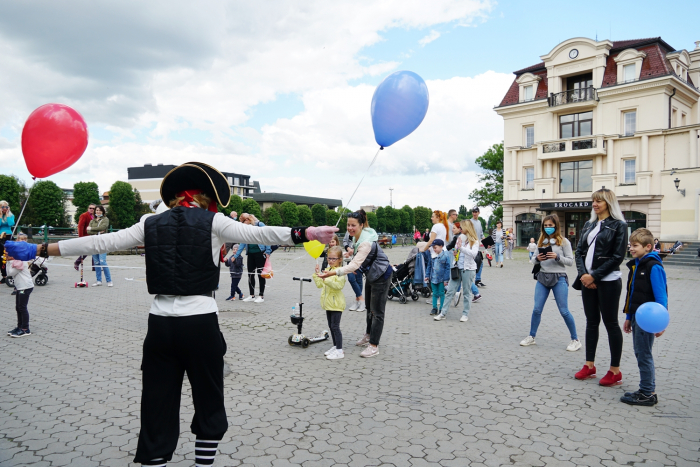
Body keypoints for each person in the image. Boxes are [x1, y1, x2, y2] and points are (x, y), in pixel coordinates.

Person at [4, 161, 338, 466]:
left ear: (174, 196)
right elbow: (258, 234)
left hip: (160, 325)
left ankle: (156, 460)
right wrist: (303, 233)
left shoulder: (149, 222)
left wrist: (38, 248)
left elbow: (99, 242)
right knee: (208, 396)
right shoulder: (214, 221)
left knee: (157, 401)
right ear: (205, 198)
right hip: (201, 322)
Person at [318, 209, 392, 359]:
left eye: (353, 225)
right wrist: (352, 253)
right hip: (372, 274)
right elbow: (359, 255)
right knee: (369, 308)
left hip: (382, 275)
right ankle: (369, 335)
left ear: (361, 225)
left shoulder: (365, 242)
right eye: (348, 225)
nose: (350, 228)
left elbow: (353, 266)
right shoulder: (360, 236)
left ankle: (373, 345)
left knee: (377, 312)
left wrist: (332, 272)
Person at [574, 188, 628, 386]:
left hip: (609, 281)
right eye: (593, 201)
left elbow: (617, 257)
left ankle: (615, 370)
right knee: (591, 322)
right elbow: (579, 251)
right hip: (587, 281)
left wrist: (594, 275)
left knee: (611, 323)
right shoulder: (589, 224)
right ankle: (589, 365)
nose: (595, 204)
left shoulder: (619, 225)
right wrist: (584, 276)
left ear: (609, 203)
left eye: (600, 201)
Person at [520, 215, 581, 351]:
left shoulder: (564, 242)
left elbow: (570, 261)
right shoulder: (541, 241)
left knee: (564, 310)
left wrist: (557, 257)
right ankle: (531, 336)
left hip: (559, 278)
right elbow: (534, 260)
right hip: (542, 277)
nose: (548, 228)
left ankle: (575, 339)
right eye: (545, 226)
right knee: (537, 309)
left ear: (556, 226)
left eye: (550, 225)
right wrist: (538, 258)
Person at [621, 228, 667, 406]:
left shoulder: (653, 266)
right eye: (630, 245)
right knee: (640, 352)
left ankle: (648, 393)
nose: (631, 249)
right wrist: (628, 316)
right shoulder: (636, 265)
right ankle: (646, 389)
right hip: (637, 317)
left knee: (644, 354)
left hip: (648, 319)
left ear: (648, 247)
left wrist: (661, 323)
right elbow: (632, 294)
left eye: (635, 246)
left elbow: (661, 296)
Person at [437, 220, 480, 322]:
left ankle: (465, 314)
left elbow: (473, 254)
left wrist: (461, 248)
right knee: (450, 291)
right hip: (457, 268)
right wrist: (456, 253)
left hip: (468, 269)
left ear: (467, 228)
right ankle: (443, 313)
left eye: (462, 227)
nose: (460, 229)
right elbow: (457, 251)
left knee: (466, 292)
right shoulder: (459, 238)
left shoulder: (474, 241)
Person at [313, 245, 347, 360]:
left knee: (335, 326)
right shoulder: (327, 270)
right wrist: (317, 275)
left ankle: (340, 350)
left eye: (334, 259)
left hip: (336, 304)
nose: (331, 261)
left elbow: (338, 286)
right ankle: (335, 346)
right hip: (328, 303)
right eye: (329, 258)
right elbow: (319, 285)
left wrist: (326, 279)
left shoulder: (340, 272)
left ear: (340, 259)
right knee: (331, 326)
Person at [234, 213, 272, 303]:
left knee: (260, 275)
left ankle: (261, 295)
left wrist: (268, 251)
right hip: (250, 254)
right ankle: (252, 295)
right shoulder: (245, 230)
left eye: (243, 222)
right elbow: (242, 243)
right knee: (250, 275)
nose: (242, 225)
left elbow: (267, 236)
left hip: (260, 253)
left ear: (247, 220)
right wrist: (236, 256)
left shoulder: (259, 225)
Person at [6, 233, 33, 338]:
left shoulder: (19, 261)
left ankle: (25, 329)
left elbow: (10, 273)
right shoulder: (17, 259)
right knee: (18, 307)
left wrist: (9, 261)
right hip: (20, 286)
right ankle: (19, 326)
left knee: (22, 307)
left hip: (25, 286)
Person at [88, 206, 113, 287]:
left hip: (102, 243)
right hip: (94, 243)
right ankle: (99, 280)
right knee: (96, 262)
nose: (98, 212)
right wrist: (97, 230)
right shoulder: (92, 220)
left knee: (102, 261)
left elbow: (103, 227)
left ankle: (109, 280)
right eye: (97, 210)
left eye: (100, 210)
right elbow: (88, 230)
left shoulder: (105, 219)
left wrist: (92, 228)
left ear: (102, 211)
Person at [425, 239, 450, 315]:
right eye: (433, 248)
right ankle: (434, 308)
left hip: (441, 279)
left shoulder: (445, 255)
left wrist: (446, 279)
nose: (434, 249)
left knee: (441, 293)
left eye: (435, 247)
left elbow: (447, 268)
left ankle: (441, 308)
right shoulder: (432, 256)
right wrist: (427, 275)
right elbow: (429, 266)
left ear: (441, 246)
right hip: (433, 278)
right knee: (435, 293)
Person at [343, 231, 365, 312]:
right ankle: (361, 299)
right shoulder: (348, 231)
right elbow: (345, 241)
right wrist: (348, 249)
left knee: (358, 279)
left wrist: (354, 250)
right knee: (351, 278)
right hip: (350, 259)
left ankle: (358, 301)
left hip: (359, 259)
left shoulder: (362, 232)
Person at [74, 203, 95, 270]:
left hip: (93, 236)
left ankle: (94, 266)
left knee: (94, 250)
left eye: (93, 208)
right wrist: (81, 237)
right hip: (86, 236)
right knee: (87, 251)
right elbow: (80, 226)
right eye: (90, 208)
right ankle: (77, 262)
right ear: (88, 209)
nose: (91, 209)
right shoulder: (84, 215)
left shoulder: (95, 216)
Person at [470, 207, 486, 288]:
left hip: (477, 246)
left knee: (480, 262)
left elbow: (481, 233)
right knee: (475, 262)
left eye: (476, 212)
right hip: (471, 245)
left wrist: (486, 242)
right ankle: (472, 281)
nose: (474, 213)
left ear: (479, 213)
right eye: (473, 212)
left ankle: (478, 280)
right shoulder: (470, 222)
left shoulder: (479, 222)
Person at [0, 200, 15, 284]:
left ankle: (11, 274)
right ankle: (4, 275)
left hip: (8, 235)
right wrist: (0, 215)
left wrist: (7, 214)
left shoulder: (11, 215)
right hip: (0, 236)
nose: (5, 208)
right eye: (3, 207)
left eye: (6, 207)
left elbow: (11, 224)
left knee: (9, 255)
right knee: (1, 256)